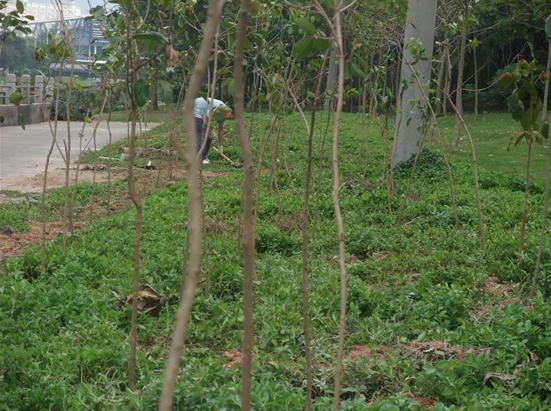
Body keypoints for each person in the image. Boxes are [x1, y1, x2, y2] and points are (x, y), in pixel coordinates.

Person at [193, 96, 232, 164]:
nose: (229, 118)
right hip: (196, 111)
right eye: (231, 116)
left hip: (201, 112)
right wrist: (211, 130)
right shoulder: (222, 108)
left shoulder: (222, 115)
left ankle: (203, 157)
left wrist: (220, 145)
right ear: (230, 111)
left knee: (209, 137)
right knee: (200, 134)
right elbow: (205, 118)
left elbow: (220, 130)